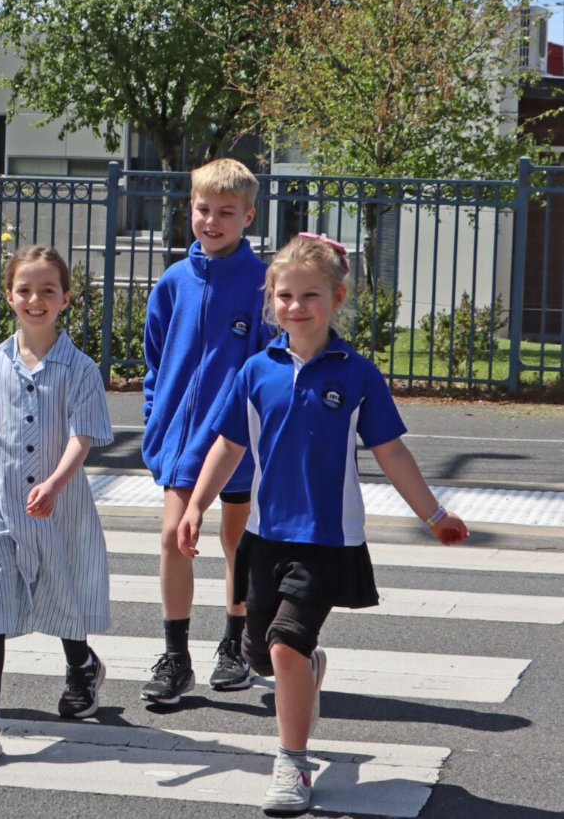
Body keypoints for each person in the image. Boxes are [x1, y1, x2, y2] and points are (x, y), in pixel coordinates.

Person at [177, 232, 470, 816]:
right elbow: (229, 445)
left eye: (310, 295)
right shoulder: (256, 371)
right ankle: (309, 669)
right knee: (261, 656)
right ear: (271, 301)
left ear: (336, 298)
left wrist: (434, 514)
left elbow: (391, 451)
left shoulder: (357, 374)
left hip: (327, 541)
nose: (296, 306)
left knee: (285, 644)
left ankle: (292, 762)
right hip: (264, 537)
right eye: (285, 295)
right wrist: (196, 505)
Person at [0, 246, 115, 761]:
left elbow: (83, 436)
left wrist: (56, 483)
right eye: (24, 289)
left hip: (58, 509)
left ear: (66, 298)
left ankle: (82, 666)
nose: (35, 299)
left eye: (47, 290)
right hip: (1, 507)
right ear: (8, 296)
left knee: (60, 594)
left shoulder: (80, 369)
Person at [140, 158, 272, 704]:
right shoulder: (173, 282)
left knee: (236, 541)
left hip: (239, 443)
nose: (212, 221)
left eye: (226, 212)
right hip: (182, 441)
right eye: (203, 209)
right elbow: (154, 360)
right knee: (174, 537)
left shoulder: (263, 284)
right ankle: (175, 656)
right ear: (189, 210)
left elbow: (271, 366)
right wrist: (156, 417)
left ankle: (235, 644)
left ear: (248, 216)